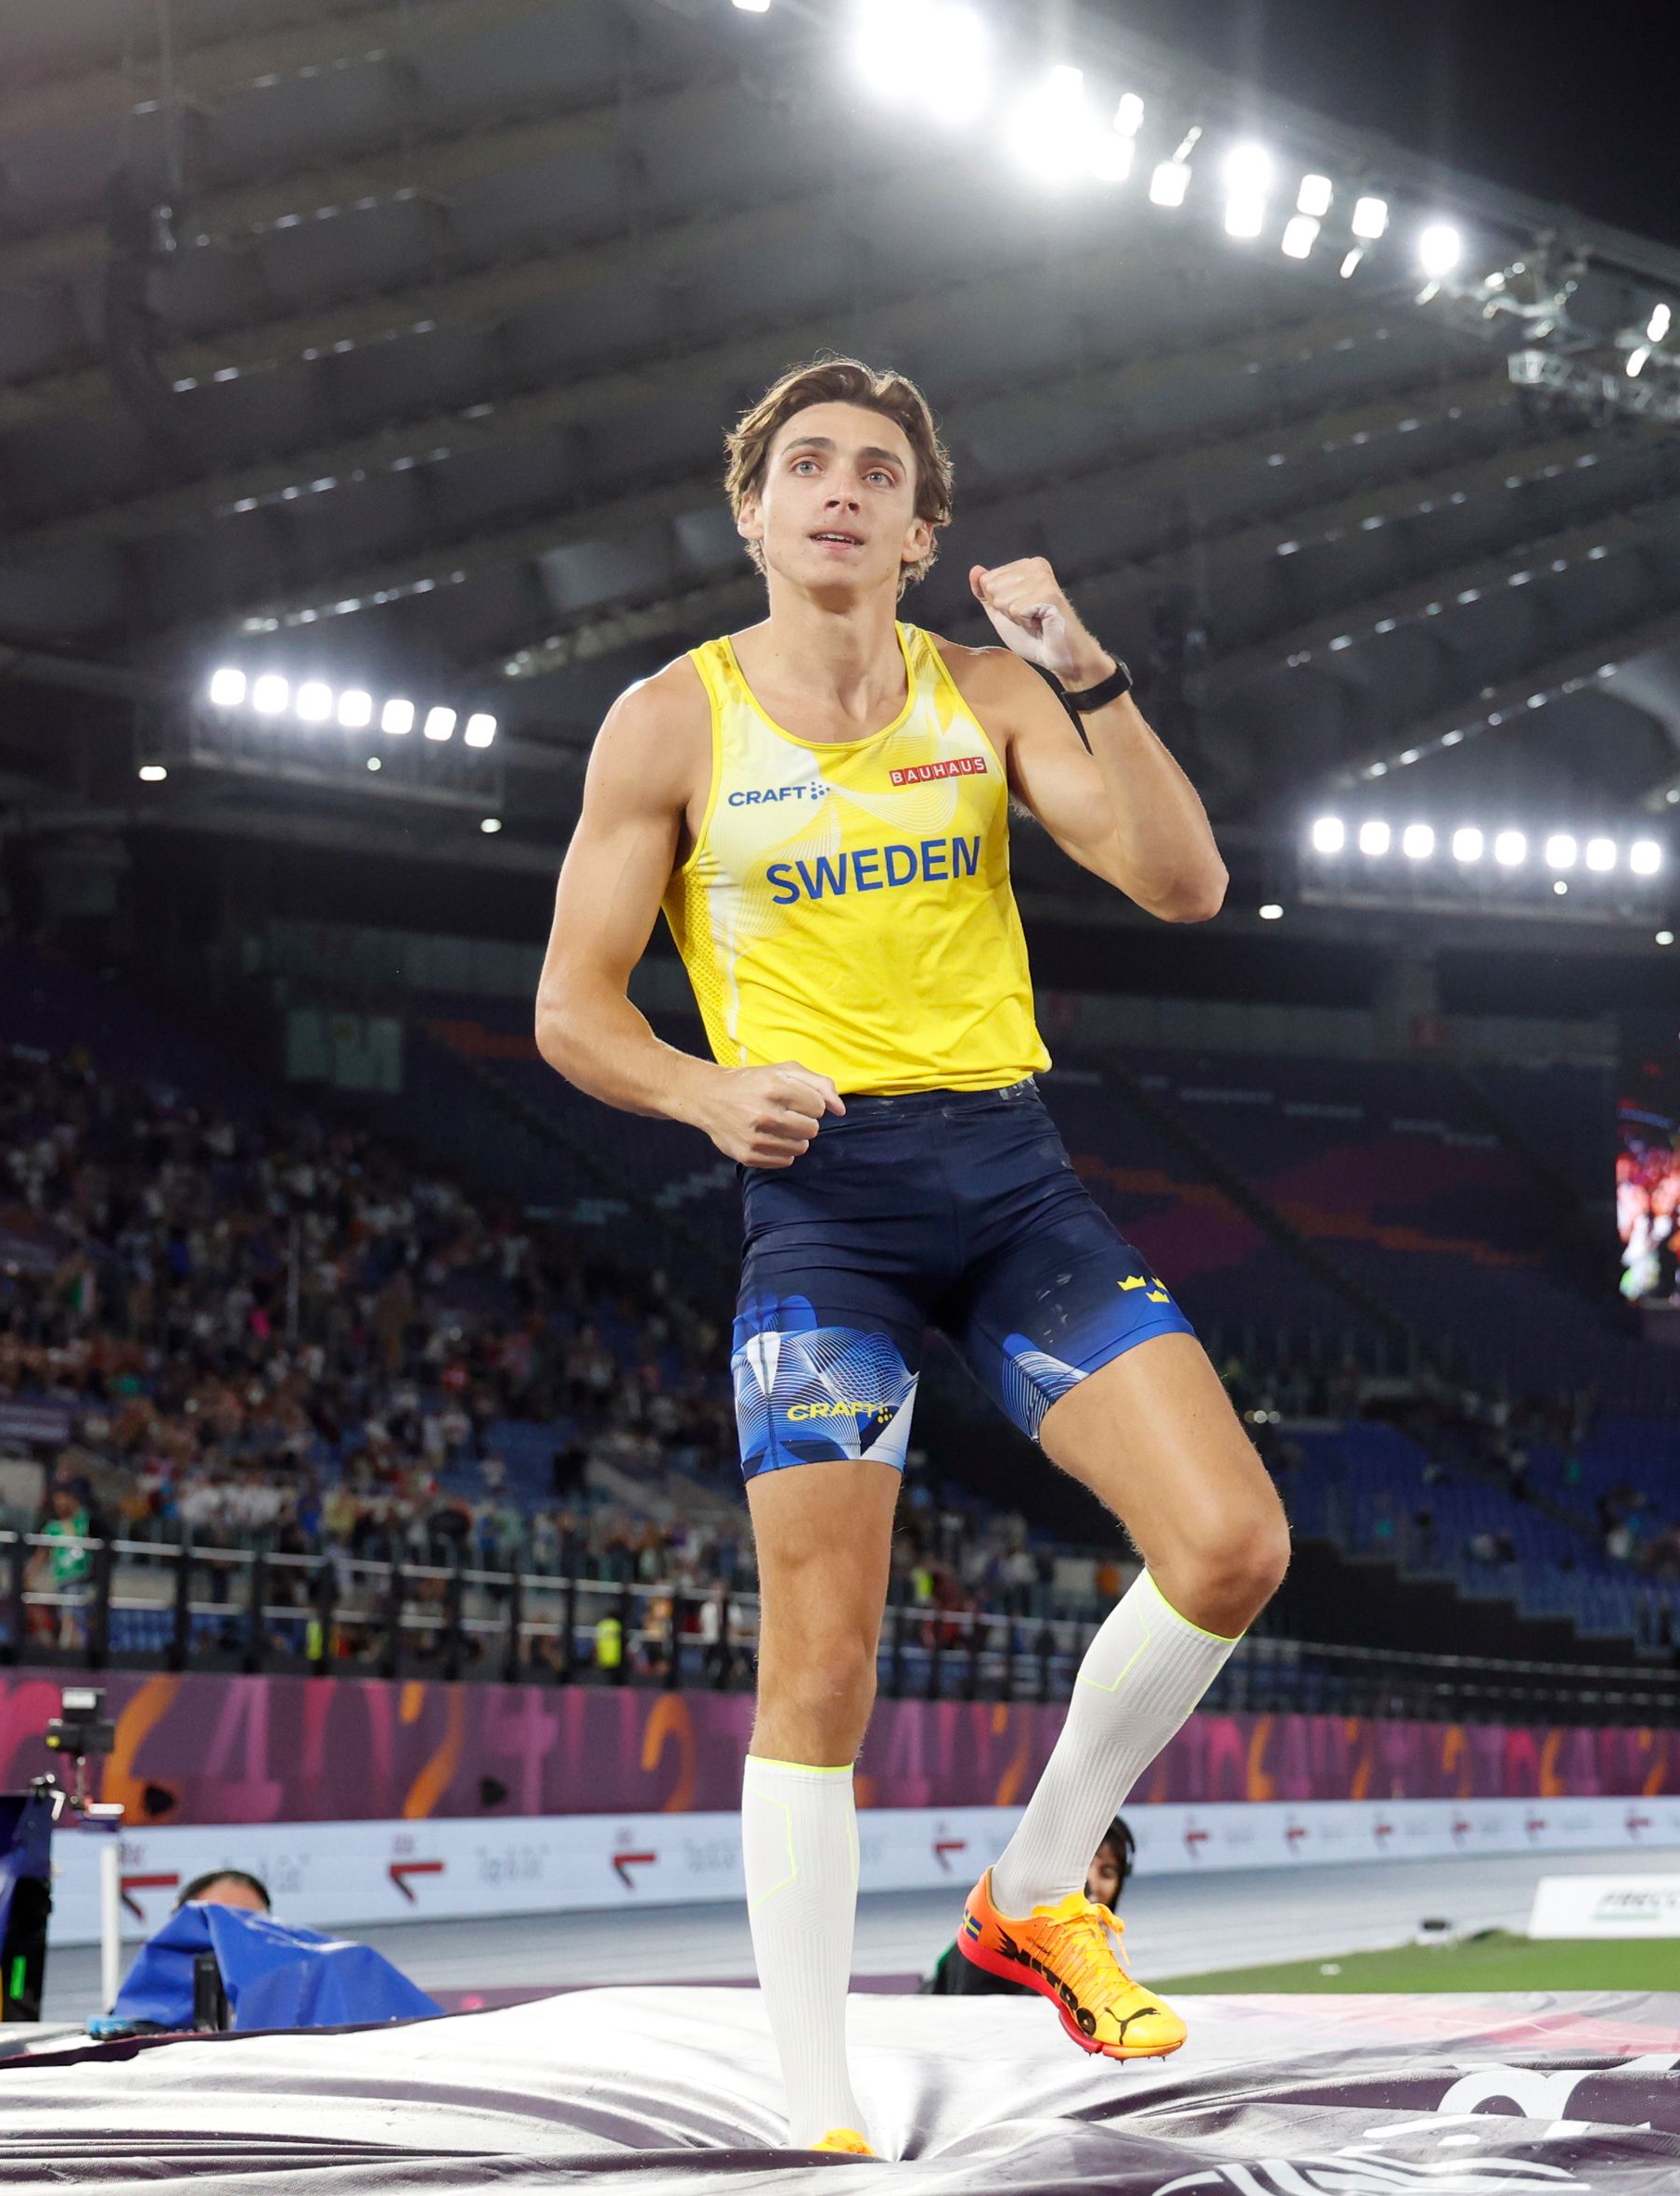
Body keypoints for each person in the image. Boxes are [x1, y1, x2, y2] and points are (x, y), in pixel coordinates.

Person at [539, 356, 1287, 2155]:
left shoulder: (998, 690)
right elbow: (573, 1010)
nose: (842, 492)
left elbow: (1186, 885)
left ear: (924, 525)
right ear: (752, 508)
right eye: (807, 466)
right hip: (827, 1212)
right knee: (823, 1657)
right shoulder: (670, 721)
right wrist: (705, 1093)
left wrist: (1086, 662)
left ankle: (1035, 1884)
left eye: (879, 471)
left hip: (1011, 1183)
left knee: (1231, 1538)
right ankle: (821, 2111)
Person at [924, 1823, 1133, 1996]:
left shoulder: (1090, 1943)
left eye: (1107, 1873)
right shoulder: (999, 1921)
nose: (1091, 1882)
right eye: (1081, 1864)